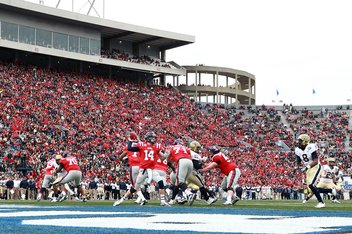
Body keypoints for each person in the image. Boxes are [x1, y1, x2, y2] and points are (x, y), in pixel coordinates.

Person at [127, 131, 170, 206]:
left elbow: (162, 158)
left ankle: (162, 201)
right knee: (136, 186)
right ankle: (127, 198)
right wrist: (130, 141)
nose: (154, 139)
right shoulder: (142, 145)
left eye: (154, 138)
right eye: (152, 138)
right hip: (143, 169)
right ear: (148, 138)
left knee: (160, 183)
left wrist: (167, 154)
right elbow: (130, 148)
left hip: (151, 169)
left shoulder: (155, 147)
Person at [113, 131, 146, 206]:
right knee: (137, 184)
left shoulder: (128, 147)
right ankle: (141, 198)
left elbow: (120, 157)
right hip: (141, 166)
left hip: (134, 166)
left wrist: (125, 158)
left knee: (134, 184)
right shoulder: (140, 145)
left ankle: (142, 198)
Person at [295, 134, 325, 208]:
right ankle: (329, 191)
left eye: (300, 141)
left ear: (305, 141)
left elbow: (315, 161)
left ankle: (321, 202)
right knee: (310, 188)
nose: (298, 142)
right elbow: (298, 161)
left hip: (315, 167)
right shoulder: (297, 150)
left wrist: (306, 167)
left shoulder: (310, 147)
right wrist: (297, 167)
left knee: (311, 184)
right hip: (308, 169)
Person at [165, 138, 194, 205]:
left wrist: (169, 162)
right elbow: (191, 156)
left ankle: (189, 193)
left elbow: (168, 158)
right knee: (177, 184)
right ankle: (172, 200)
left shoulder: (172, 147)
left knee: (180, 182)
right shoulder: (185, 147)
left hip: (181, 161)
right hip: (190, 162)